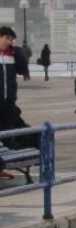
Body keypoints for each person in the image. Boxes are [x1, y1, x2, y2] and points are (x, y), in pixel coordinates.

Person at [0, 27, 37, 179]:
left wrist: (20, 54)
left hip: (9, 102)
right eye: (7, 38)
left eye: (11, 39)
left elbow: (22, 69)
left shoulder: (12, 54)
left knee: (7, 134)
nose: (10, 42)